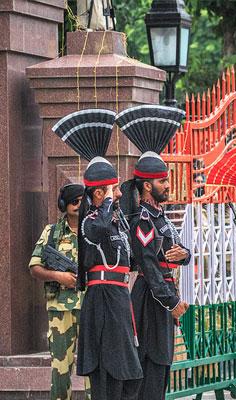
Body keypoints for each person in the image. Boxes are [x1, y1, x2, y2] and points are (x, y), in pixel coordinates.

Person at [51, 108, 142, 400]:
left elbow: (131, 257)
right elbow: (98, 230)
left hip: (119, 299)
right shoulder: (92, 221)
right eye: (113, 189)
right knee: (107, 373)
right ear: (100, 193)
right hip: (102, 301)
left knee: (129, 373)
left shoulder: (116, 218)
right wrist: (100, 202)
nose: (119, 195)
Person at [115, 105, 191, 400]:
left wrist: (184, 255)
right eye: (163, 182)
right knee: (152, 363)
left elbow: (180, 249)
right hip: (150, 297)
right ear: (147, 186)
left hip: (161, 295)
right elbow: (148, 266)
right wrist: (172, 302)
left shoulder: (160, 216)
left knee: (162, 363)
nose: (168, 185)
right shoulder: (143, 221)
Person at [29, 183, 91, 400]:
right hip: (60, 310)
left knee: (93, 367)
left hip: (90, 306)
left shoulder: (93, 229)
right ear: (64, 205)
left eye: (82, 200)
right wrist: (58, 276)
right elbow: (35, 266)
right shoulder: (52, 232)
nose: (78, 204)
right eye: (74, 200)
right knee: (60, 369)